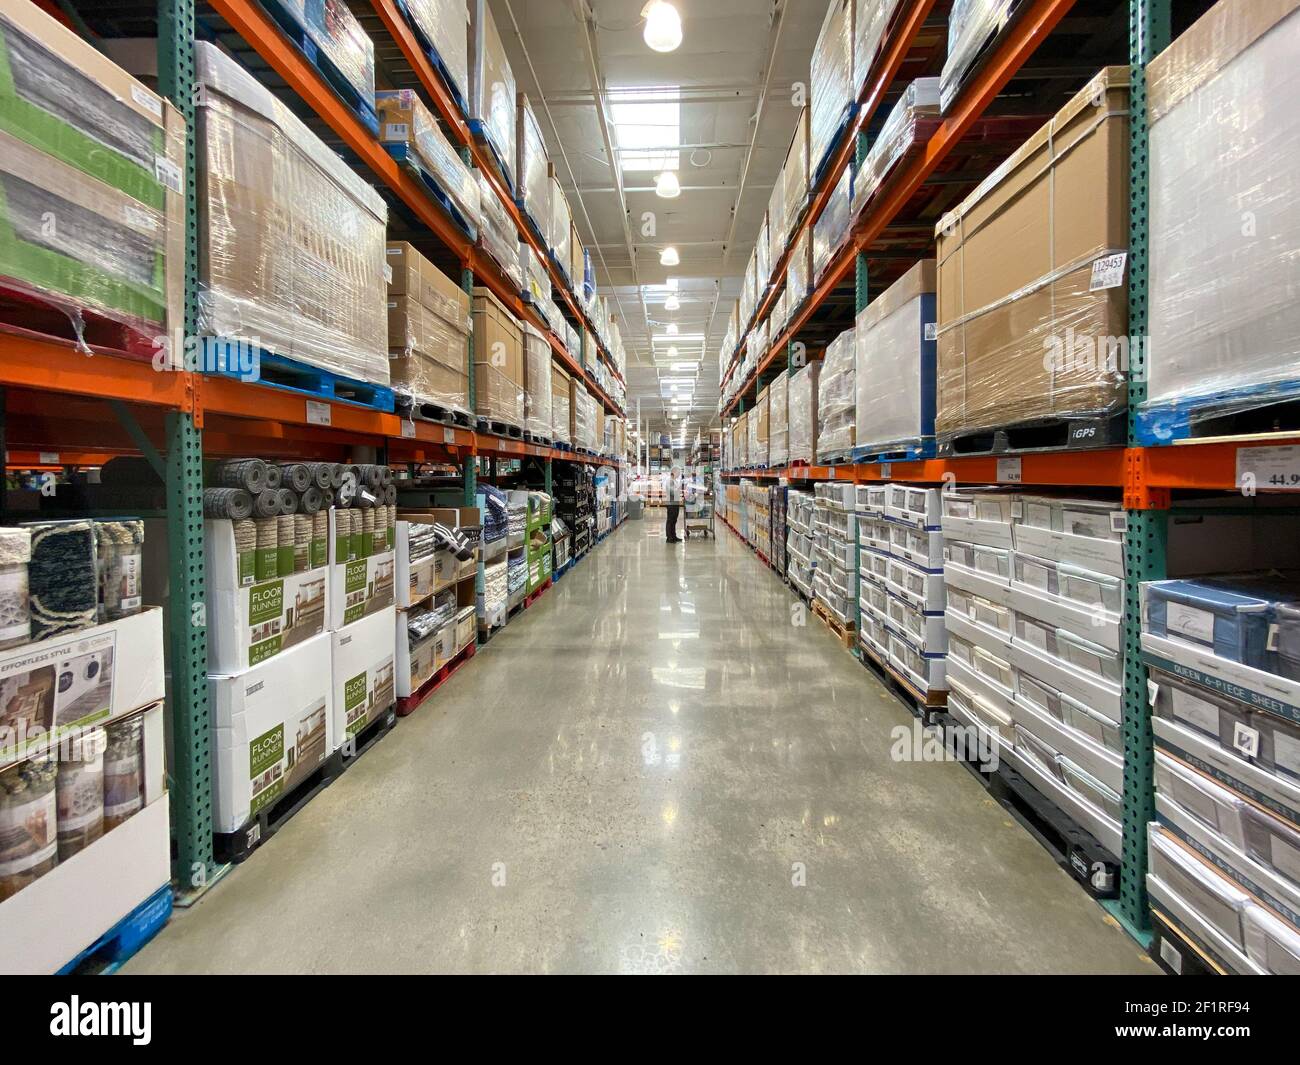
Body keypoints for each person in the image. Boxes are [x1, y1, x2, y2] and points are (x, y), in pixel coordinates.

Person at [661, 466, 683, 543]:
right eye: (678, 473)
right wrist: (679, 488)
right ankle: (669, 537)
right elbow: (672, 492)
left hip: (675, 502)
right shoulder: (669, 480)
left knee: (674, 520)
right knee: (670, 520)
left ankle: (674, 536)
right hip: (671, 503)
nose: (679, 474)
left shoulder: (674, 480)